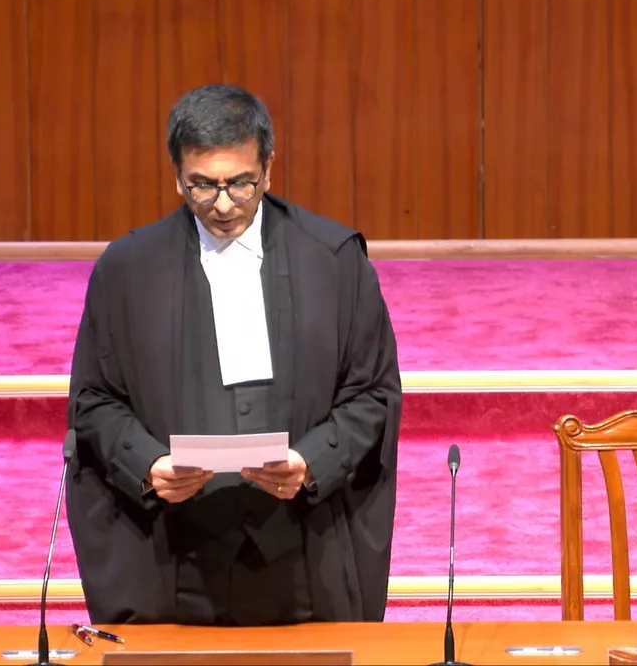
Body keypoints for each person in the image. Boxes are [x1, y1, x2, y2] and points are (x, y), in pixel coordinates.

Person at [65, 84, 403, 626]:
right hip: (173, 555)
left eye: (240, 184)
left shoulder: (334, 261)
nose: (222, 205)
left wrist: (313, 459)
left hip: (303, 550)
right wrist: (147, 465)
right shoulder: (127, 270)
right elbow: (94, 399)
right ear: (177, 175)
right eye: (201, 186)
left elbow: (372, 392)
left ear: (268, 167)